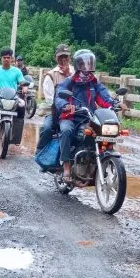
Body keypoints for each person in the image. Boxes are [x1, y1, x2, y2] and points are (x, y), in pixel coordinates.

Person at [54, 49, 126, 183]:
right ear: (77, 65)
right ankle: (66, 166)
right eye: (83, 64)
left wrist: (116, 103)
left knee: (99, 134)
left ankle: (95, 160)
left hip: (88, 118)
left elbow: (104, 97)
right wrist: (65, 105)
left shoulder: (94, 82)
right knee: (65, 130)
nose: (87, 68)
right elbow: (59, 96)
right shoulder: (69, 82)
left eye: (89, 64)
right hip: (70, 117)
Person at [37, 44, 76, 151]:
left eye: (66, 56)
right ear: (55, 58)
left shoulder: (77, 72)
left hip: (76, 110)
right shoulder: (51, 75)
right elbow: (50, 100)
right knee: (47, 128)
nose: (63, 59)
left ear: (70, 57)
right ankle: (41, 153)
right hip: (55, 111)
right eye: (60, 57)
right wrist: (63, 106)